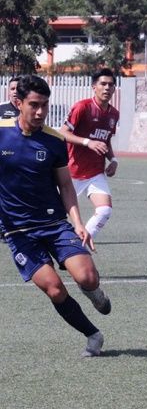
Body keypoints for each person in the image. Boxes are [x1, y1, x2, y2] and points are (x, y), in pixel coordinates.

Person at [0, 75, 111, 357]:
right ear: (18, 103)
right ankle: (93, 335)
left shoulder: (54, 140)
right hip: (19, 233)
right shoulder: (1, 133)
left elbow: (66, 186)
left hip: (54, 224)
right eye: (34, 105)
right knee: (55, 289)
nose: (40, 112)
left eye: (45, 105)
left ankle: (94, 291)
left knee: (87, 277)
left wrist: (78, 223)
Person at [59, 68, 119, 240]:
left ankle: (79, 243)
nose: (107, 88)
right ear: (94, 87)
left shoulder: (114, 114)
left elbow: (106, 139)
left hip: (95, 172)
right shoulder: (82, 107)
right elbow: (63, 133)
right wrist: (88, 142)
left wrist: (113, 159)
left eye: (110, 85)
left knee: (104, 210)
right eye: (103, 84)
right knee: (55, 215)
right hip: (72, 171)